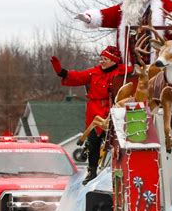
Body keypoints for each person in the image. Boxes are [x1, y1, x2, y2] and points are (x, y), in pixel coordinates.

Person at [50, 46, 130, 185]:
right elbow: (78, 77)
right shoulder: (94, 72)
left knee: (113, 139)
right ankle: (91, 171)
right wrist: (62, 72)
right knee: (93, 141)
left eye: (105, 59)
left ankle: (117, 168)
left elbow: (134, 73)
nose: (102, 61)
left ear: (114, 60)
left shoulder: (120, 71)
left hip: (113, 109)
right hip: (94, 111)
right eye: (101, 58)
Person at [75, 0, 172, 65]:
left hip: (157, 59)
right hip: (132, 61)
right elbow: (106, 15)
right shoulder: (125, 8)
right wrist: (89, 18)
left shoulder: (161, 3)